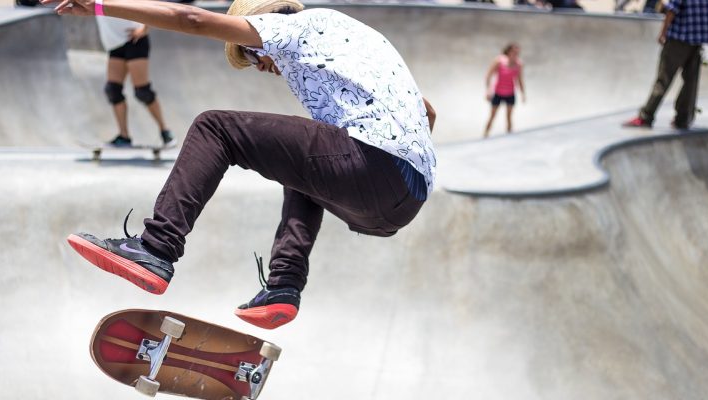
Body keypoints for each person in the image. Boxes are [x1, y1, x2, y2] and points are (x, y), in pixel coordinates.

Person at [48, 0, 437, 330]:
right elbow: (427, 112)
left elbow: (192, 19)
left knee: (214, 127)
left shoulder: (294, 27)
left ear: (262, 25)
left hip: (369, 164)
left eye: (250, 52)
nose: (260, 65)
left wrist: (98, 4)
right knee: (303, 163)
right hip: (406, 199)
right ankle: (284, 283)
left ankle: (157, 247)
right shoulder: (357, 39)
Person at [622, 0, 708, 130]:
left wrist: (663, 32)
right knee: (690, 82)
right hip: (698, 40)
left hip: (678, 38)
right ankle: (682, 119)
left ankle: (646, 116)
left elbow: (672, 9)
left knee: (663, 79)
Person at [96, 15, 175, 146]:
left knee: (142, 91)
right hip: (115, 44)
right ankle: (124, 136)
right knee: (113, 90)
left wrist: (144, 27)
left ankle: (165, 132)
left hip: (135, 40)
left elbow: (148, 5)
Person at [484, 43, 526, 138]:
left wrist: (523, 94)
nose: (516, 54)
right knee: (492, 116)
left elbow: (520, 80)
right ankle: (485, 135)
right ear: (509, 51)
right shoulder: (499, 61)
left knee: (509, 117)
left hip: (510, 93)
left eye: (517, 52)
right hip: (498, 92)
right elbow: (489, 75)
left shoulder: (519, 64)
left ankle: (509, 136)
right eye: (514, 51)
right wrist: (488, 91)